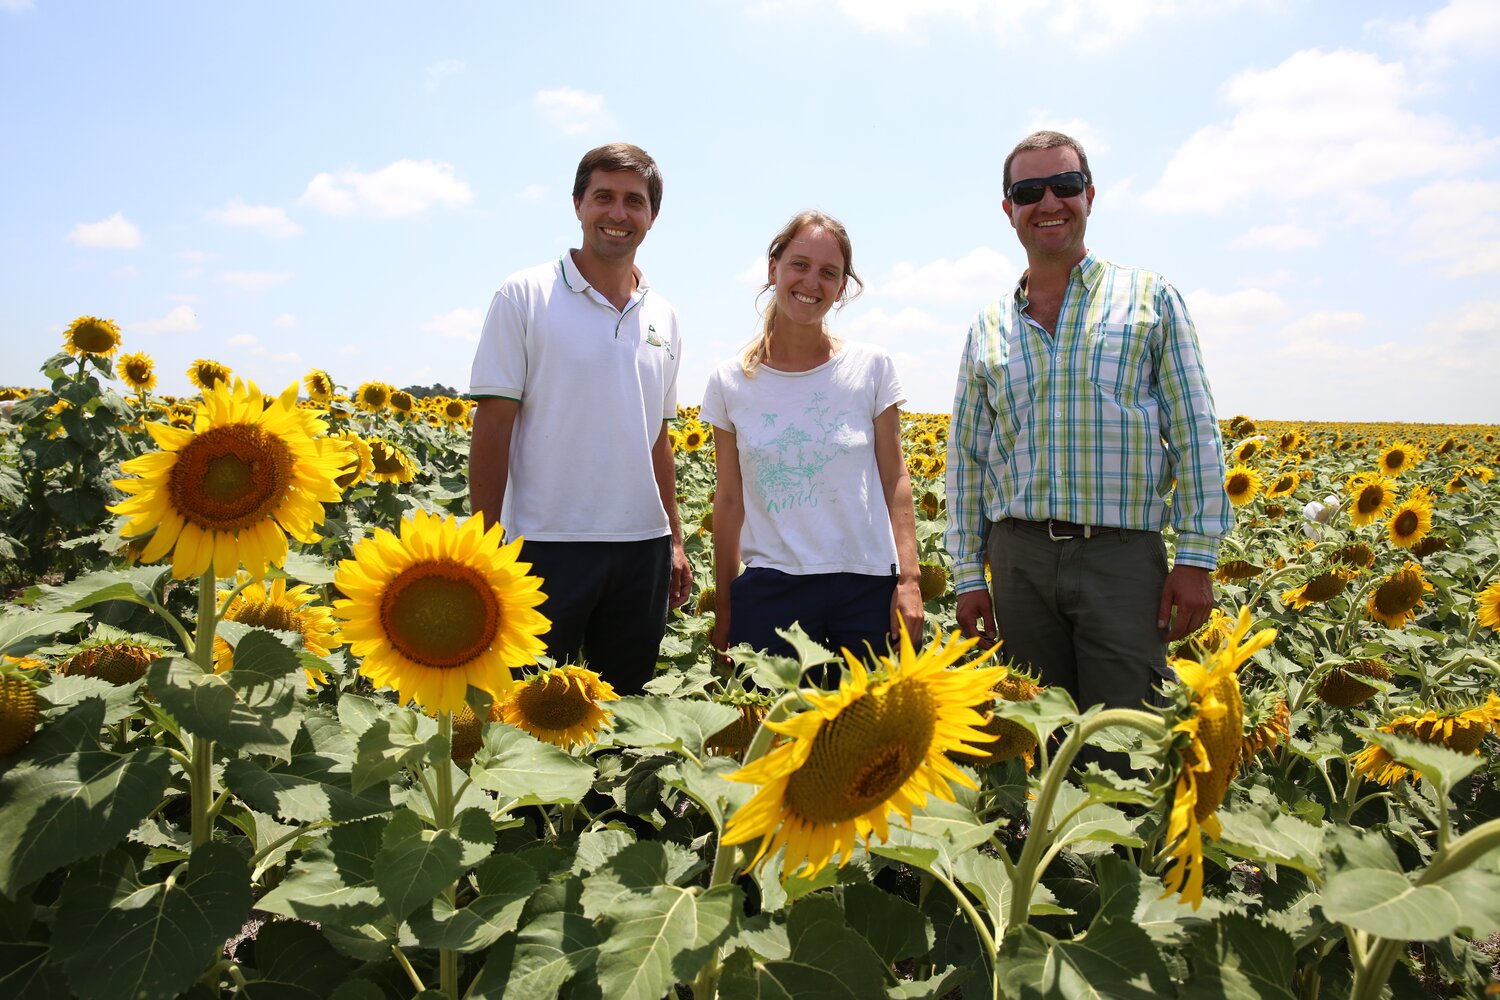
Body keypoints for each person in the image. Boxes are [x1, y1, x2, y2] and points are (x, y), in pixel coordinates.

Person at [946, 130, 1231, 716]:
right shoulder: (989, 325)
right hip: (1018, 560)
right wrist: (969, 574)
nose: (1049, 202)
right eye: (1029, 191)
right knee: (1031, 733)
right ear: (1009, 211)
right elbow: (967, 461)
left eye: (1064, 185)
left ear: (1090, 195)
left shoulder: (1149, 298)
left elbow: (1194, 431)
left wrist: (1197, 558)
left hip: (1120, 559)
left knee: (1127, 737)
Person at [468, 142, 691, 694]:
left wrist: (676, 540)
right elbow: (493, 424)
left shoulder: (664, 314)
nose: (618, 214)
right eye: (604, 197)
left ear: (652, 217)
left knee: (625, 708)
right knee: (527, 710)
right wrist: (483, 543)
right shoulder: (524, 295)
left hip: (642, 546)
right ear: (577, 205)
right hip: (545, 543)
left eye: (634, 202)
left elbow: (658, 437)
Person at [702, 210, 923, 670]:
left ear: (842, 287)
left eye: (829, 273)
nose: (812, 282)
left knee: (867, 738)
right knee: (771, 735)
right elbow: (727, 501)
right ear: (773, 269)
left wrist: (909, 580)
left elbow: (894, 477)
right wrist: (725, 609)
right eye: (799, 265)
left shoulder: (871, 367)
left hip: (865, 588)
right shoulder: (730, 382)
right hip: (771, 592)